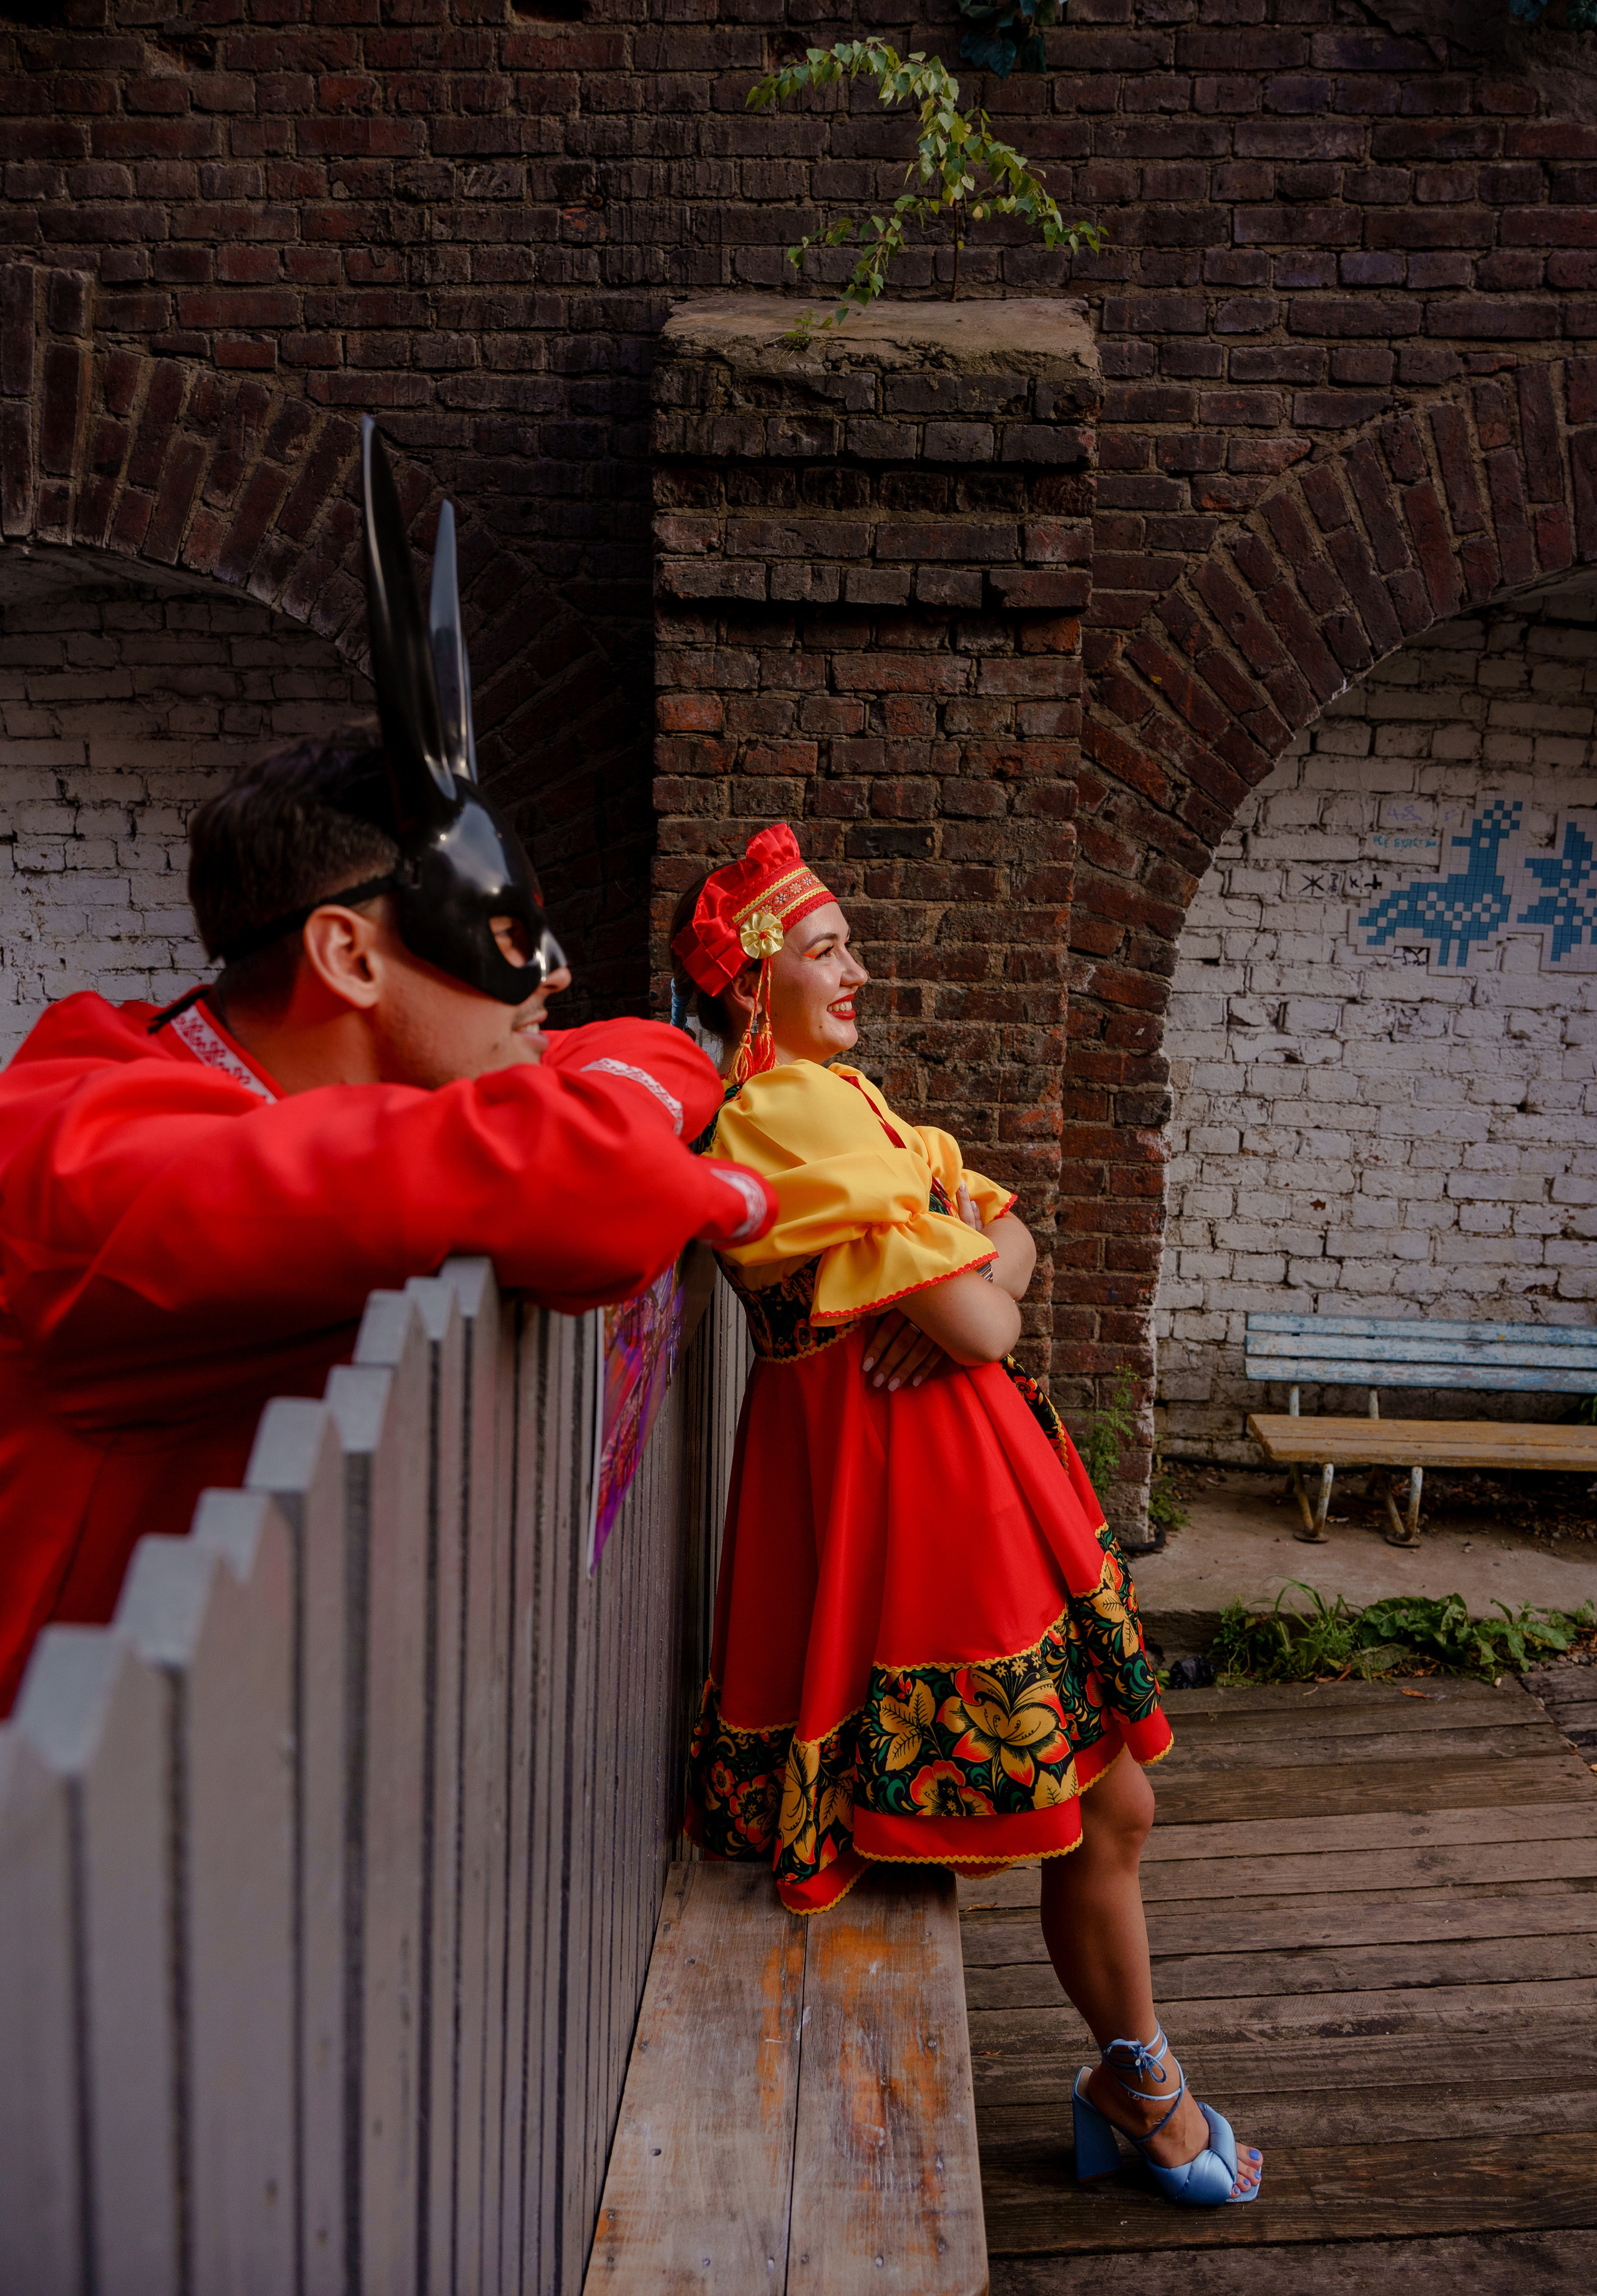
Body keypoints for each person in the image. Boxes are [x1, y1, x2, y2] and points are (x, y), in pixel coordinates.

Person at [0, 423, 774, 1716]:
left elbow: (631, 1050)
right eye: (507, 939)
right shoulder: (102, 1166)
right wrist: (709, 1184)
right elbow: (591, 1183)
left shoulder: (263, 1093)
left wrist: (643, 1091)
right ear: (349, 959)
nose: (553, 978)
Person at [671, 824, 1261, 2209]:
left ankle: (1131, 2079)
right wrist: (968, 1287)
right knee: (1104, 1804)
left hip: (951, 1503)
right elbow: (988, 1312)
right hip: (912, 1533)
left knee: (1111, 1806)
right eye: (827, 952)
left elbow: (1013, 1238)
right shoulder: (785, 1116)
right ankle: (1135, 2088)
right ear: (754, 985)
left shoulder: (840, 1098)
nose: (859, 972)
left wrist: (967, 1276)